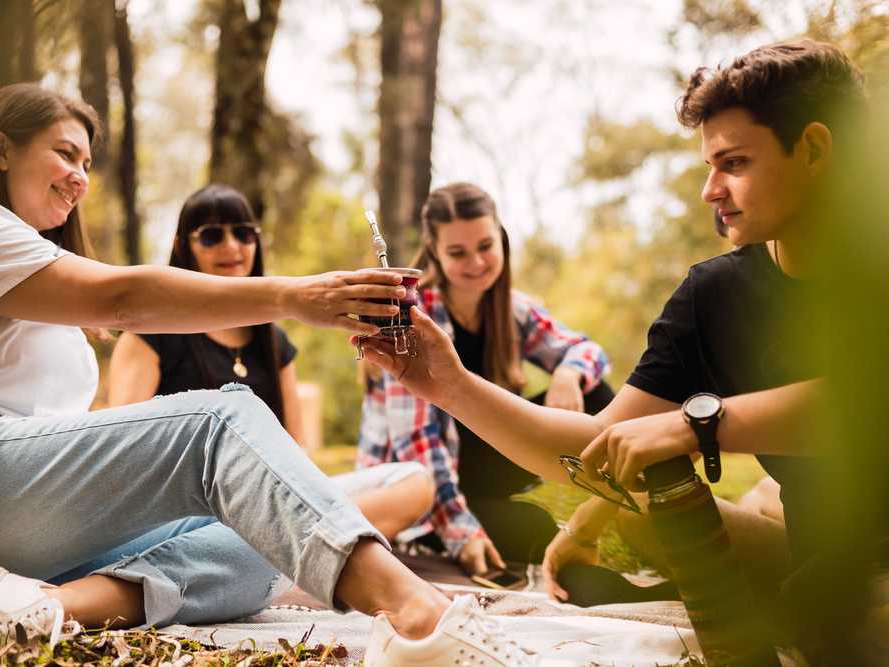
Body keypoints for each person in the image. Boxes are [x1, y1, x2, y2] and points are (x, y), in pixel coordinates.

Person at [0, 83, 535, 667]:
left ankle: (32, 609)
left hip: (11, 521)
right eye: (65, 154)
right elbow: (120, 298)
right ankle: (417, 617)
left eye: (88, 165)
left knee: (264, 522)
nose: (79, 177)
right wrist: (295, 295)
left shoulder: (28, 265)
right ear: (1, 149)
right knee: (217, 418)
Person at [358, 40, 883, 659]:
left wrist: (696, 427)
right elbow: (598, 451)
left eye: (734, 163)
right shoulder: (712, 294)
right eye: (709, 166)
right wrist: (448, 382)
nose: (710, 190)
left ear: (816, 148)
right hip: (819, 561)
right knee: (643, 507)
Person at [108, 183, 434, 540]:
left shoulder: (274, 341)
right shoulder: (150, 334)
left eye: (243, 234)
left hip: (275, 502)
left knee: (413, 484)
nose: (231, 246)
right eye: (212, 236)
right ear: (183, 246)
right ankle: (295, 549)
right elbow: (127, 455)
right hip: (191, 513)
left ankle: (286, 548)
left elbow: (297, 451)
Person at [358, 182, 612, 572]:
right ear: (436, 255)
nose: (476, 262)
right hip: (425, 485)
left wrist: (567, 372)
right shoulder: (411, 316)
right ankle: (449, 530)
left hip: (483, 462)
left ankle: (627, 510)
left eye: (485, 246)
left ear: (501, 240)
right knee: (535, 532)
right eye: (458, 252)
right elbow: (417, 441)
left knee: (598, 394)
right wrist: (462, 533)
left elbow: (588, 351)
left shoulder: (512, 309)